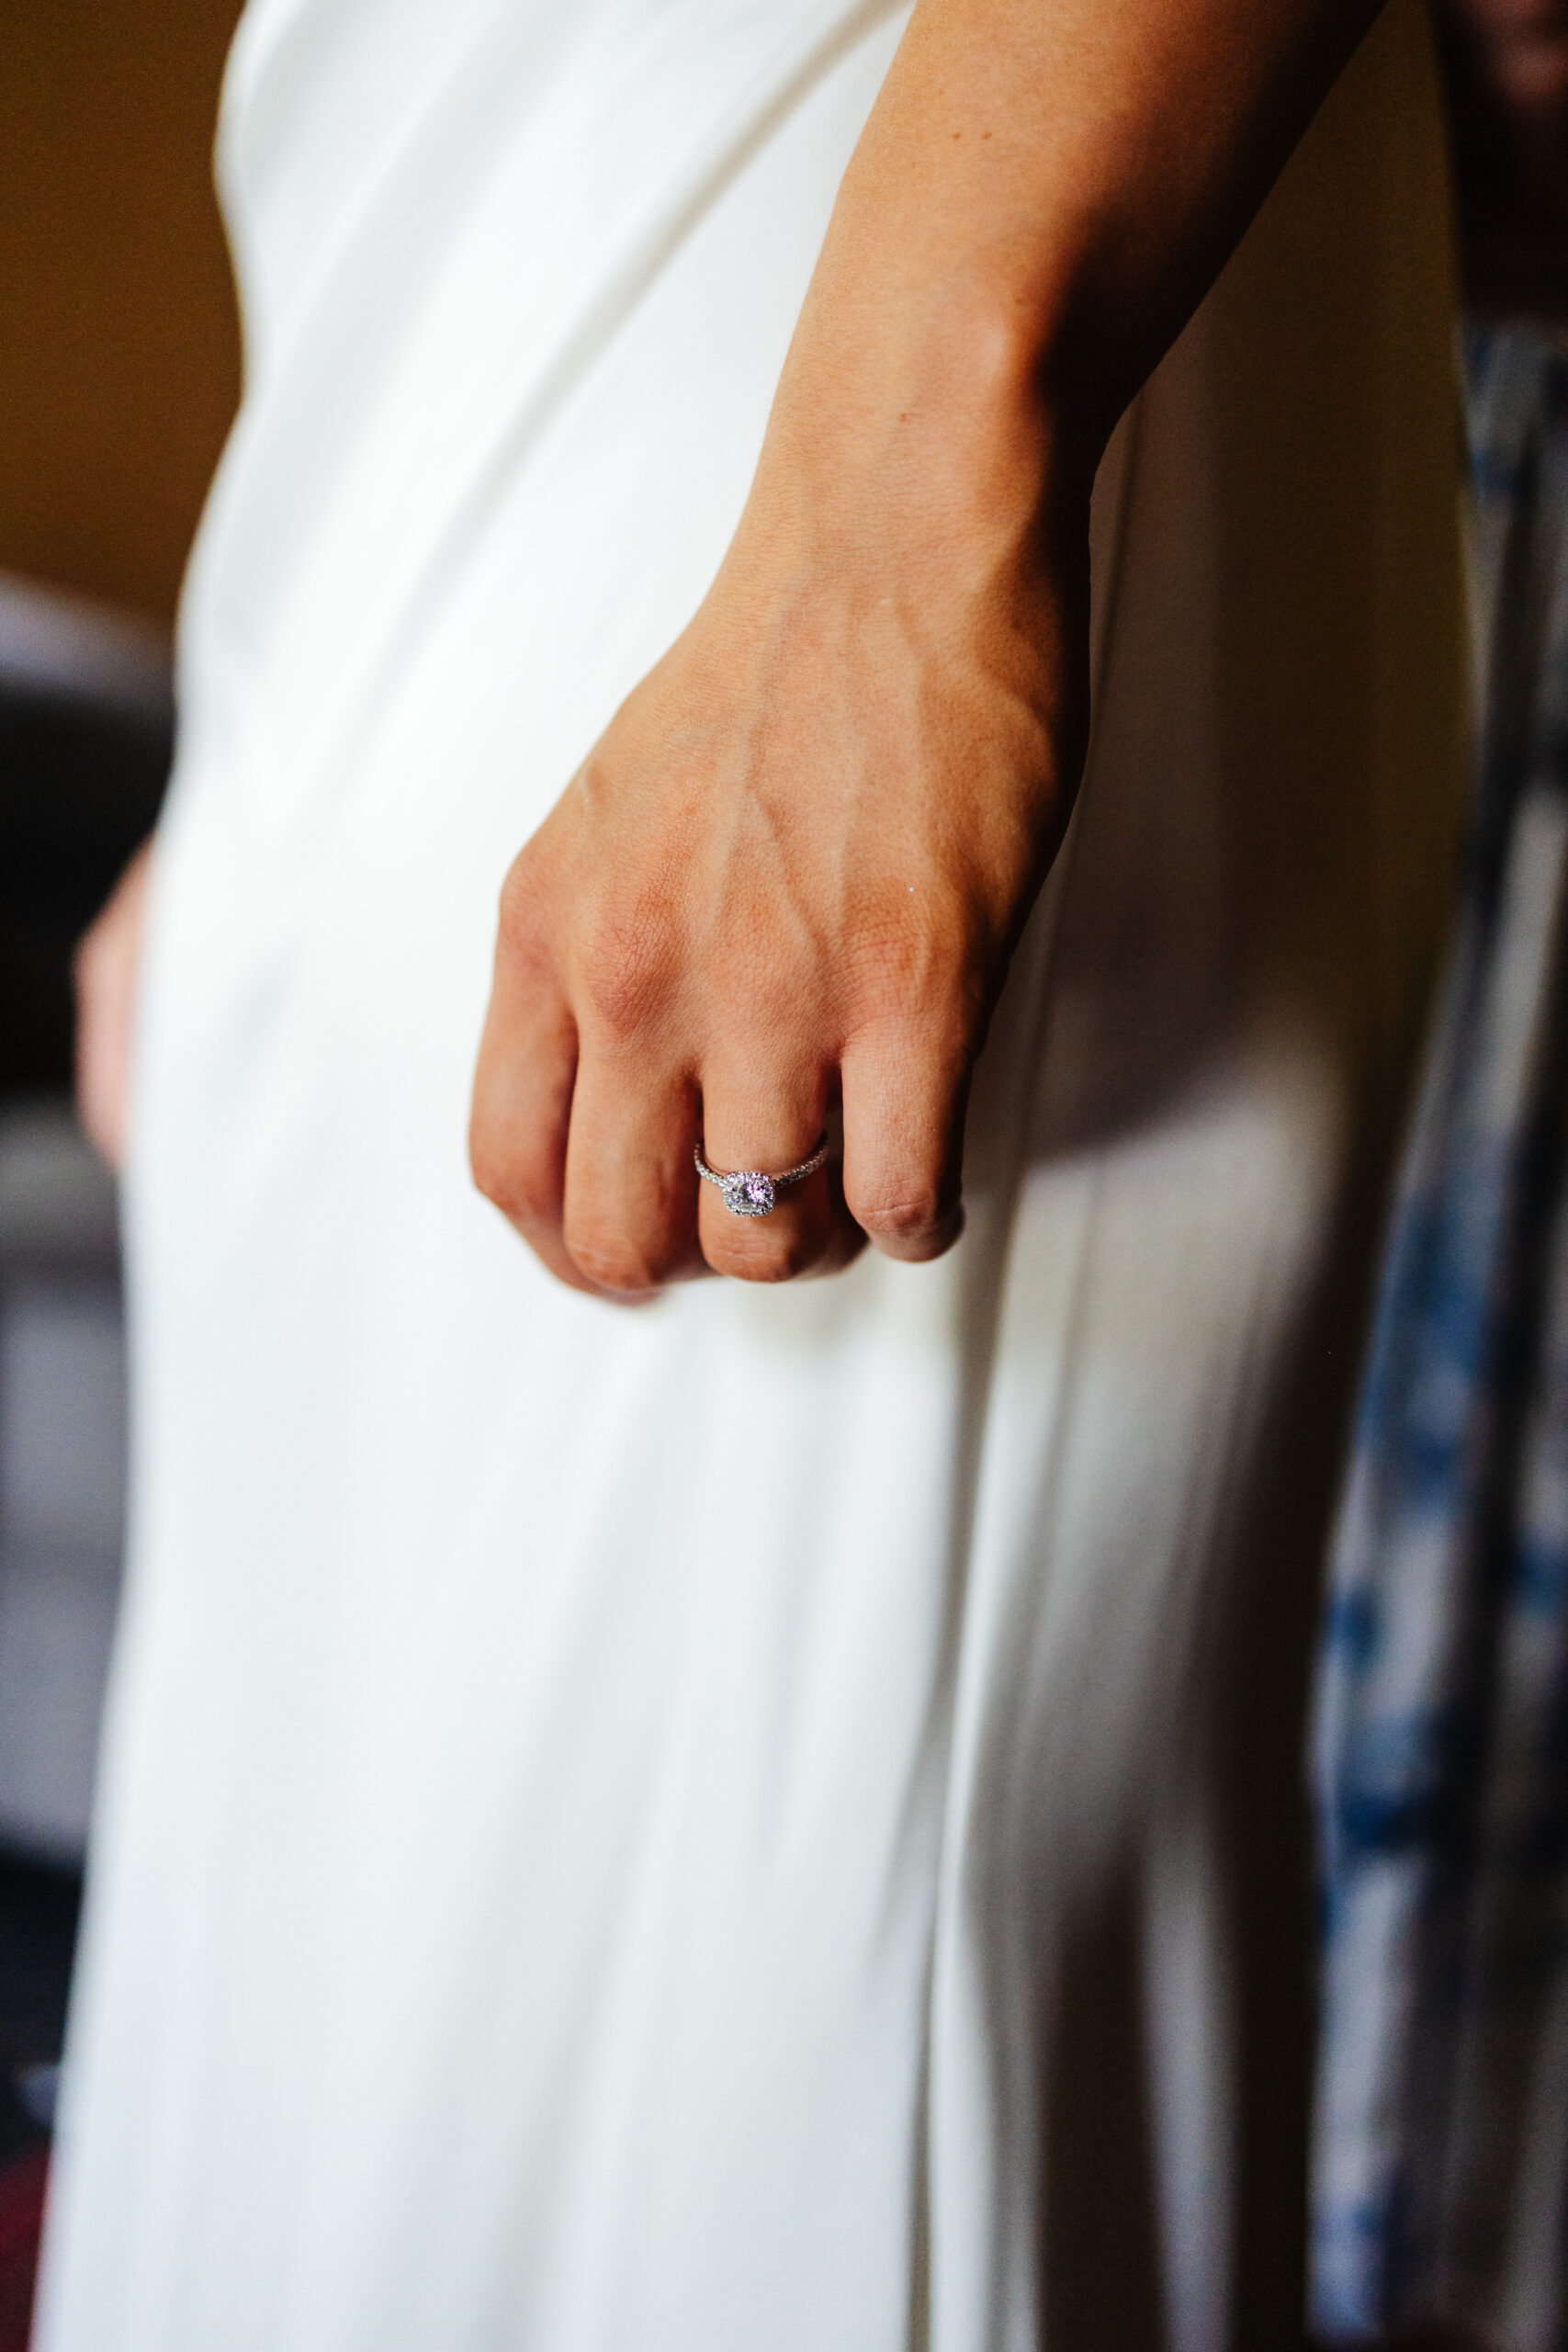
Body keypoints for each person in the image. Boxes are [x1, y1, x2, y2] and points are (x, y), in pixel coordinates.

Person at [43, 0, 1461, 2345]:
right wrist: (272, 695)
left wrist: (905, 516)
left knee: (797, 2075)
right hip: (444, 460)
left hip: (889, 415)